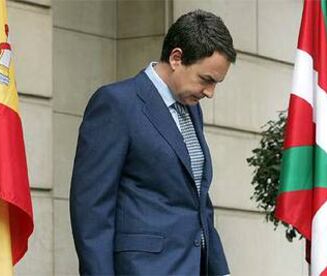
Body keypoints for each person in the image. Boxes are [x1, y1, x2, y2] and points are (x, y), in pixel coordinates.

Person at [70, 9, 236, 276]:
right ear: (176, 58)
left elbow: (199, 202)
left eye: (216, 83)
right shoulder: (116, 104)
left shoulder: (192, 109)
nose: (210, 92)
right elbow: (91, 211)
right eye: (206, 79)